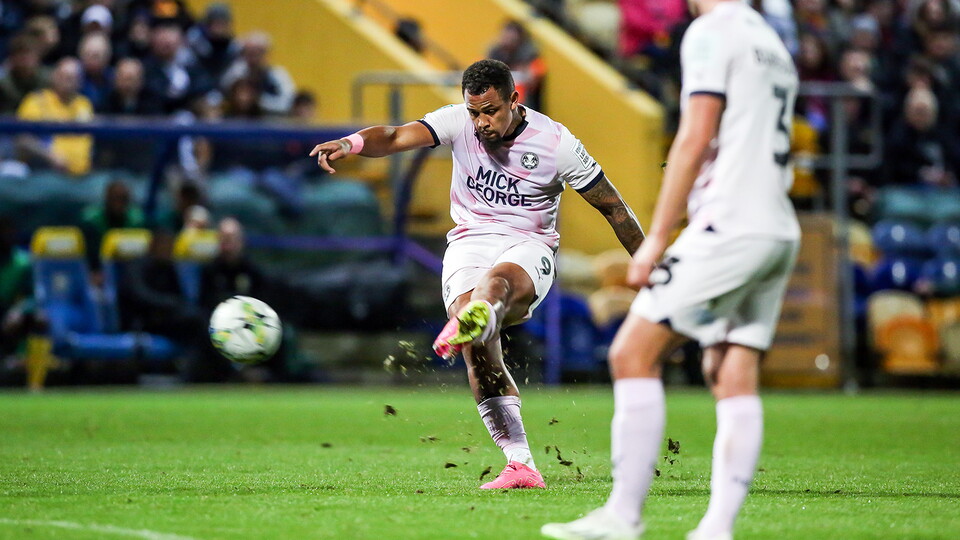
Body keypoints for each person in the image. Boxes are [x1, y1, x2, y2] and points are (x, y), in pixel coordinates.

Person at [310, 59, 644, 490]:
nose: (481, 123)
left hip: (529, 245)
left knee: (494, 288)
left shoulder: (556, 143)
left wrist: (650, 265)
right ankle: (520, 464)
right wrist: (350, 143)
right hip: (468, 242)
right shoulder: (457, 122)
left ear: (513, 100)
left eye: (491, 111)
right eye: (474, 112)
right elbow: (394, 136)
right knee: (479, 351)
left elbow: (613, 206)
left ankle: (479, 313)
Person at [542, 1, 800, 538]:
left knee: (631, 352)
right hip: (777, 225)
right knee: (732, 369)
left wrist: (656, 237)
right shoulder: (773, 42)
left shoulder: (712, 30)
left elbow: (695, 133)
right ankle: (717, 528)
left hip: (729, 222)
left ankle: (623, 516)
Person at [16, 57, 94, 176]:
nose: (68, 81)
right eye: (64, 76)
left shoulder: (84, 104)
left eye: (73, 78)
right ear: (54, 76)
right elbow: (22, 139)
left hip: (84, 175)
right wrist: (49, 156)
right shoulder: (37, 100)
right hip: (47, 173)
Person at [220, 31, 295, 116]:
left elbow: (288, 102)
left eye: (257, 53)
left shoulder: (278, 75)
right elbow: (223, 96)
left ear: (266, 54)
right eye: (248, 53)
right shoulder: (235, 73)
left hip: (269, 120)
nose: (252, 58)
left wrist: (259, 102)